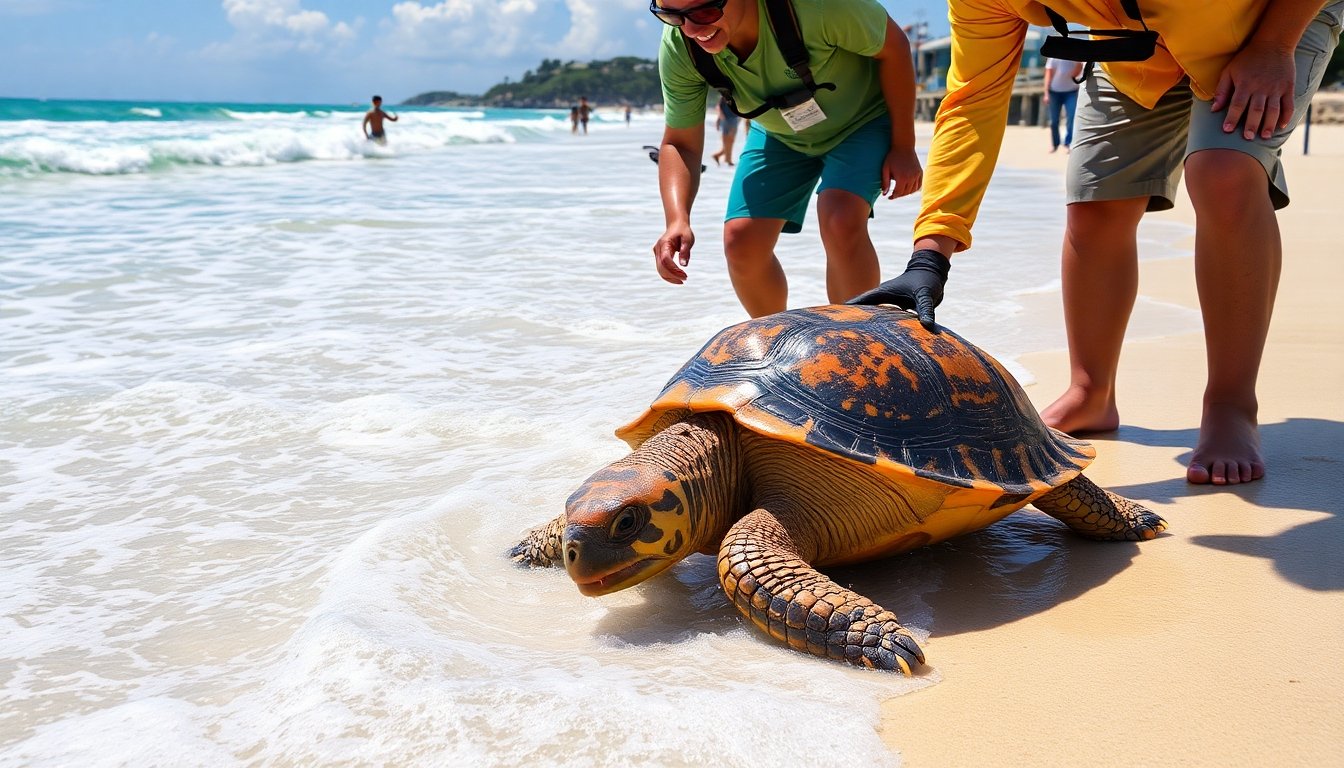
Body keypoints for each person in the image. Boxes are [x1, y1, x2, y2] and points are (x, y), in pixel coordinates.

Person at [850, 0, 1343, 485]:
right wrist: (930, 253)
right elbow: (973, 99)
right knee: (1096, 202)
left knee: (1224, 172)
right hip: (1136, 45)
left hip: (1269, 19)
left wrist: (1275, 45)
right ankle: (1091, 391)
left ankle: (1231, 403)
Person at [650, 0, 922, 318]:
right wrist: (677, 219)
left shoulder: (818, 7)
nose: (692, 30)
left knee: (840, 218)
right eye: (671, 15)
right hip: (780, 135)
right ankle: (775, 345)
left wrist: (904, 146)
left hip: (862, 121)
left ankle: (855, 341)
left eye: (704, 12)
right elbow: (681, 144)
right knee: (741, 241)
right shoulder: (682, 44)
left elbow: (894, 46)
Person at [1042, 57, 1084, 152]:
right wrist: (1046, 93)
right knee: (1054, 121)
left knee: (1071, 117)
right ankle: (1055, 144)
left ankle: (1068, 143)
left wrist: (1078, 63)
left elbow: (1076, 73)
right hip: (1054, 92)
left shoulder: (1074, 55)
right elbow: (1048, 75)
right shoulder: (1052, 57)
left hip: (1071, 92)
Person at [710, 94, 743, 166]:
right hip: (726, 120)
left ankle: (719, 156)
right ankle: (728, 159)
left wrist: (740, 117)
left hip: (734, 119)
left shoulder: (736, 96)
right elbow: (718, 107)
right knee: (727, 141)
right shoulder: (724, 96)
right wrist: (720, 119)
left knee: (731, 141)